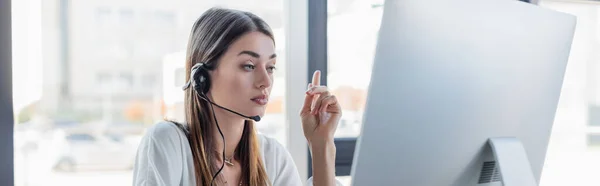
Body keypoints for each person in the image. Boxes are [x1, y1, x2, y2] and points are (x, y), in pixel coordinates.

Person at [132, 7, 343, 186]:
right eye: (249, 66)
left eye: (270, 67)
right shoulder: (168, 142)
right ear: (201, 77)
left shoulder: (272, 157)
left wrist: (321, 145)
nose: (266, 82)